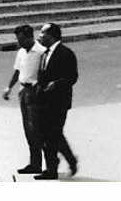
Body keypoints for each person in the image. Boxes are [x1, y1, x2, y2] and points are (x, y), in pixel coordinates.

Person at [33, 24, 78, 179]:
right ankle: (68, 160)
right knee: (50, 135)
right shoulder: (45, 54)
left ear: (51, 36)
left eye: (42, 33)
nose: (39, 36)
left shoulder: (66, 53)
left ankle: (52, 169)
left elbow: (72, 77)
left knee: (52, 135)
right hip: (44, 101)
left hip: (59, 102)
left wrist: (56, 83)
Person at [2, 24, 44, 175]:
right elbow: (17, 71)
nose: (17, 42)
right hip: (23, 90)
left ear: (28, 37)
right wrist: (9, 87)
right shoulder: (21, 52)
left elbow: (44, 73)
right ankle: (34, 163)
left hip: (35, 92)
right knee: (28, 129)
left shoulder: (40, 52)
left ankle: (43, 162)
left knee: (36, 129)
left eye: (19, 39)